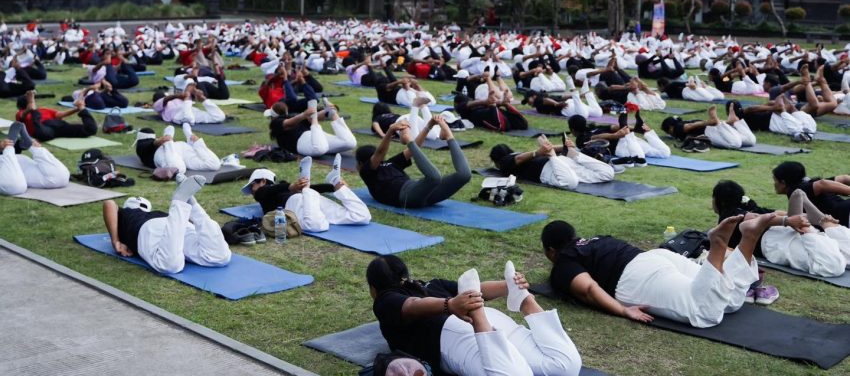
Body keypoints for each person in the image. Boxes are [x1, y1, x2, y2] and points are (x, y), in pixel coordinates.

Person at [541, 213, 776, 328]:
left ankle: (717, 245)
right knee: (731, 300)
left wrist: (624, 310)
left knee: (703, 312)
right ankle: (748, 238)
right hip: (655, 257)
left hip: (635, 278)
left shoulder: (565, 259)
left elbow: (588, 289)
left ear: (551, 250)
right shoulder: (595, 240)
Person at [367, 254, 582, 376]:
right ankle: (526, 301)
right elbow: (475, 288)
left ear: (373, 288)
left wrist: (451, 305)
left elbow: (413, 306)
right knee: (566, 366)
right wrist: (507, 286)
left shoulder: (384, 299)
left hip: (454, 334)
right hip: (489, 321)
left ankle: (482, 310)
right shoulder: (430, 285)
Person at [713, 180, 848, 280]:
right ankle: (822, 223)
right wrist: (792, 219)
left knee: (833, 266)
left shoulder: (729, 213)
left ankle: (814, 224)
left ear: (719, 201)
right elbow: (777, 214)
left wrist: (788, 220)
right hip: (780, 235)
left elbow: (755, 217)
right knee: (837, 258)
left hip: (772, 242)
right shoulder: (744, 209)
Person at [102, 175, 231, 274]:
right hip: (174, 223)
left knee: (169, 265)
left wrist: (116, 241)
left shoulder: (127, 214)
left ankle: (180, 201)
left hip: (149, 230)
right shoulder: (156, 213)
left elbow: (109, 204)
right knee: (220, 257)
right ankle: (191, 204)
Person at [357, 117, 471, 208]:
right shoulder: (367, 173)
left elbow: (417, 146)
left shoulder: (390, 163)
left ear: (360, 163)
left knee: (464, 175)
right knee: (434, 178)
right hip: (407, 197)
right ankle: (415, 140)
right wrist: (391, 131)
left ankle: (449, 136)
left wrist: (429, 126)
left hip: (422, 193)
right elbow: (380, 152)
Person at [241, 155, 371, 233]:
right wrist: (292, 187)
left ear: (263, 181)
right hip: (309, 199)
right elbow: (270, 191)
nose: (252, 191)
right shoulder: (266, 194)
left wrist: (335, 187)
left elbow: (266, 191)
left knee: (361, 217)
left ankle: (334, 181)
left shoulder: (263, 192)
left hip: (300, 202)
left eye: (252, 186)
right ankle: (315, 184)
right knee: (360, 216)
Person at [489, 134, 615, 190]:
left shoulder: (507, 160)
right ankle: (571, 153)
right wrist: (542, 151)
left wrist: (565, 147)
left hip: (554, 167)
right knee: (573, 182)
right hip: (556, 165)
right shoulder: (512, 159)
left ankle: (573, 153)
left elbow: (519, 158)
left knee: (607, 173)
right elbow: (520, 158)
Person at [269, 98, 356, 157]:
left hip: (308, 139)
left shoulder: (280, 120)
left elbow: (291, 121)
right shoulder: (278, 122)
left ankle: (333, 113)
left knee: (350, 143)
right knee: (322, 148)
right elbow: (288, 124)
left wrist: (327, 111)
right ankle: (321, 116)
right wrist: (306, 115)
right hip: (314, 136)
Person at [0, 122, 71, 195]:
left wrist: (19, 145)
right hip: (6, 164)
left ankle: (30, 145)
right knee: (14, 187)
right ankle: (10, 146)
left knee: (62, 177)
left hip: (16, 161)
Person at [773, 161, 850, 227]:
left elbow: (822, 184)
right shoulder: (809, 183)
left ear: (783, 182)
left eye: (775, 180)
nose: (774, 184)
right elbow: (844, 178)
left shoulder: (796, 190)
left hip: (846, 213)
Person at [661, 103, 756, 150]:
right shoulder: (684, 122)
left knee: (735, 144)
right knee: (751, 141)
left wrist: (709, 122)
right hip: (719, 130)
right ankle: (735, 122)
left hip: (711, 133)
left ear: (670, 128)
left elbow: (688, 127)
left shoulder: (677, 128)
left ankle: (720, 122)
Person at [134, 124, 221, 174]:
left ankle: (188, 138)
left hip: (171, 150)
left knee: (178, 169)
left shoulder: (148, 145)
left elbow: (150, 143)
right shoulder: (141, 147)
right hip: (174, 151)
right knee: (214, 164)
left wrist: (161, 140)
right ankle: (192, 141)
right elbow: (146, 145)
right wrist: (159, 141)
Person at [15, 90, 98, 141]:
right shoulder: (20, 113)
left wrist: (78, 108)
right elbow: (31, 110)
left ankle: (83, 110)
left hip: (58, 126)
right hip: (43, 129)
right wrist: (31, 100)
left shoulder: (42, 109)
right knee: (36, 117)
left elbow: (60, 114)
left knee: (90, 129)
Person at [152, 85, 226, 125]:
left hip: (191, 111)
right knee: (188, 119)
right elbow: (165, 99)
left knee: (220, 117)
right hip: (178, 115)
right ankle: (189, 94)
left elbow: (187, 100)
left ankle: (203, 99)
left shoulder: (177, 99)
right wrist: (177, 96)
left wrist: (197, 94)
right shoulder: (157, 105)